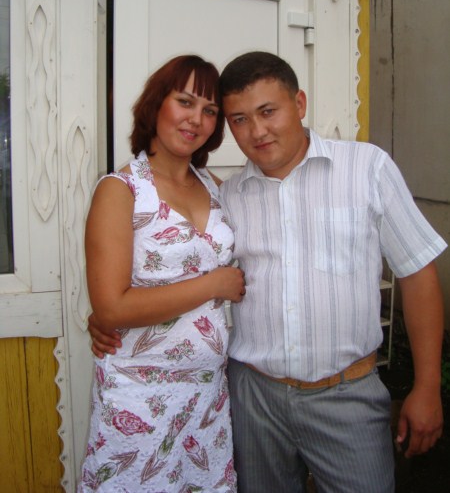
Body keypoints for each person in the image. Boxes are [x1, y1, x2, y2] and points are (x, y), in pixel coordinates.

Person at [90, 52, 447, 493]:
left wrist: (427, 385)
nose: (257, 131)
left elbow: (417, 271)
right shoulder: (228, 194)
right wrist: (109, 314)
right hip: (249, 398)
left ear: (299, 103)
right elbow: (150, 279)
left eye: (267, 112)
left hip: (343, 394)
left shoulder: (363, 169)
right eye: (239, 119)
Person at [78, 55, 245, 492]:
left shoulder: (215, 187)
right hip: (141, 398)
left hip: (207, 399)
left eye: (210, 110)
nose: (197, 119)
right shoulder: (122, 191)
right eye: (185, 102)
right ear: (156, 105)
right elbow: (112, 308)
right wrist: (213, 284)